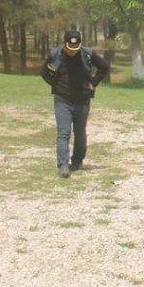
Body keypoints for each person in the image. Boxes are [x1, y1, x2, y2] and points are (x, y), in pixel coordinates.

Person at [40, 29, 111, 178]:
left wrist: (94, 82)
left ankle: (77, 161)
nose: (73, 51)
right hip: (62, 99)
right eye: (70, 48)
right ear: (64, 44)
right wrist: (55, 84)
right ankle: (63, 165)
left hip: (82, 100)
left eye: (75, 48)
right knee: (64, 132)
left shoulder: (87, 54)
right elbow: (43, 72)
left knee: (79, 132)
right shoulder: (55, 54)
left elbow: (104, 66)